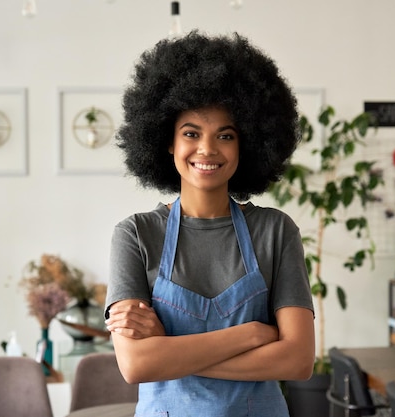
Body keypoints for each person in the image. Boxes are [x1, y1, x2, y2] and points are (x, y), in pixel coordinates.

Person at [103, 31, 315, 417]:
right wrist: (251, 335)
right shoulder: (135, 235)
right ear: (167, 140)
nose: (207, 149)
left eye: (225, 135)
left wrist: (168, 349)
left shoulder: (275, 231)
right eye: (191, 133)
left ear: (245, 143)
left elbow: (298, 360)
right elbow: (135, 365)